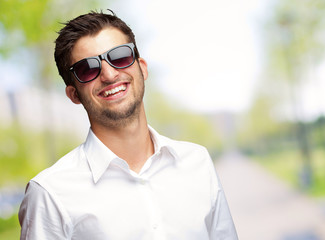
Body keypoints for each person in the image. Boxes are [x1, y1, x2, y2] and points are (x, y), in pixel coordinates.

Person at [18, 10, 238, 240]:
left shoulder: (197, 162)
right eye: (88, 69)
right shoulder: (50, 194)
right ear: (74, 94)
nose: (109, 74)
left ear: (142, 68)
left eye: (120, 56)